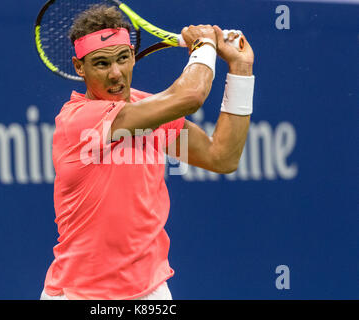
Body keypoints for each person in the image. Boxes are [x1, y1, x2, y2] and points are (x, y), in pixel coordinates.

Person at [41, 4, 255, 300]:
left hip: (150, 293)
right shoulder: (78, 120)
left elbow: (222, 156)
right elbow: (191, 95)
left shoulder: (148, 110)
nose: (116, 74)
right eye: (102, 64)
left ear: (132, 56)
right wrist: (204, 46)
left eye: (123, 58)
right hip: (79, 294)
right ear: (80, 67)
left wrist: (241, 70)